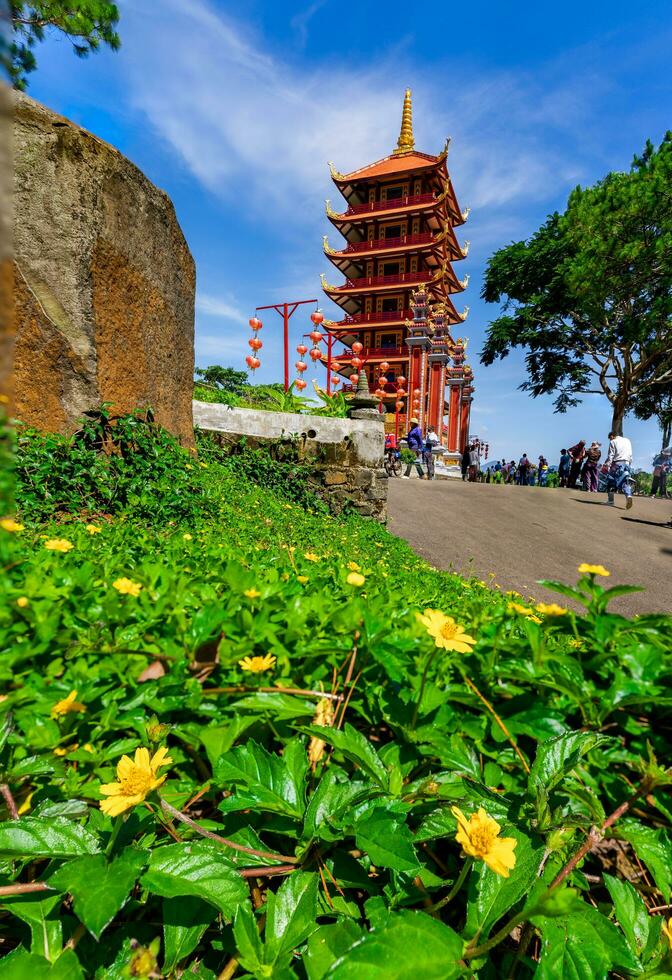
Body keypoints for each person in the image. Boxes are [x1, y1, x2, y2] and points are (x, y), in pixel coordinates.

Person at [604, 430, 633, 508]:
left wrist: (607, 464)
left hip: (617, 464)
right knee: (625, 481)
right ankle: (628, 496)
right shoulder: (627, 440)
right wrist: (629, 463)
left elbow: (611, 455)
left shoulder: (613, 441)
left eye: (610, 438)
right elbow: (630, 454)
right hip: (627, 464)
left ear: (612, 436)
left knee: (610, 481)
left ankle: (610, 501)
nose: (610, 440)